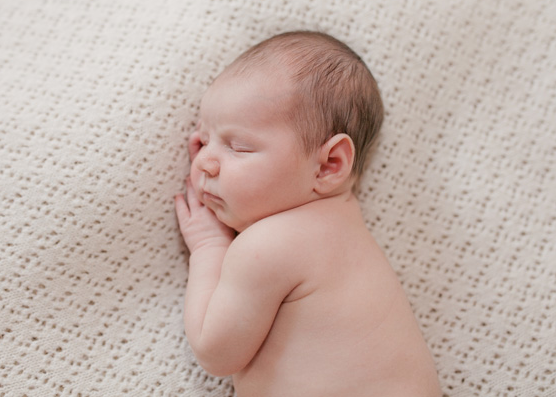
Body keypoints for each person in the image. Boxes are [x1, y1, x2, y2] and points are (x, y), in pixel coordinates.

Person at [174, 31, 442, 396]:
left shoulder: (269, 244)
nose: (204, 162)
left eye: (238, 147)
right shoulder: (345, 233)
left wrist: (208, 246)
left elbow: (215, 351)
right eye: (204, 141)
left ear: (329, 165)